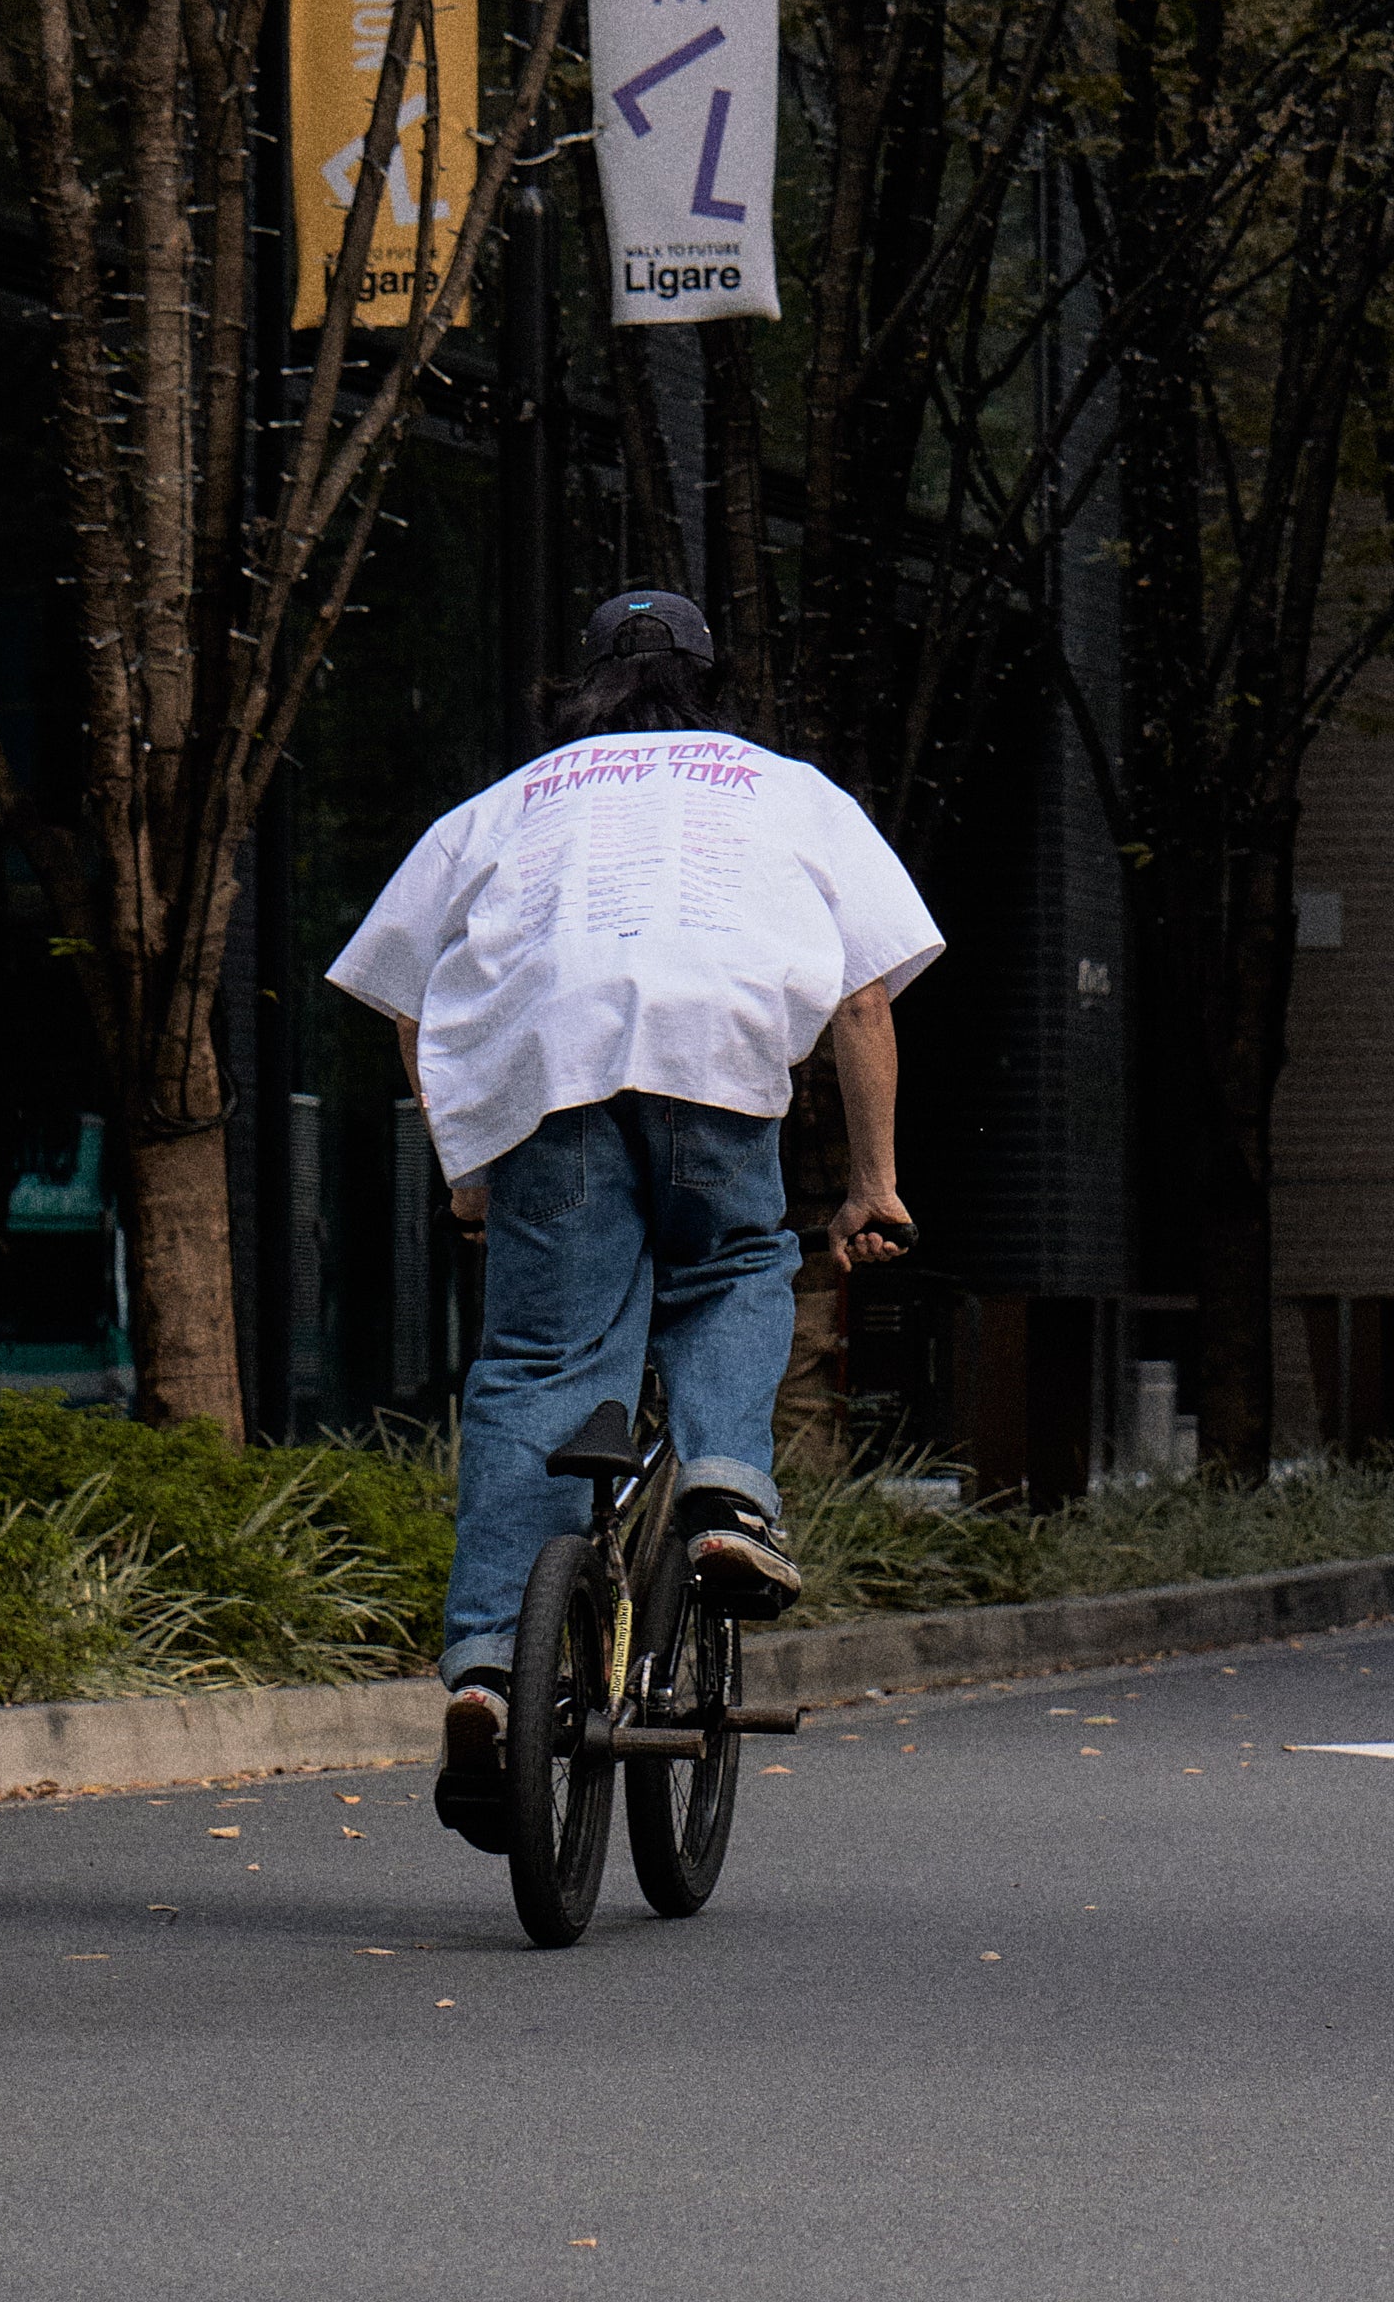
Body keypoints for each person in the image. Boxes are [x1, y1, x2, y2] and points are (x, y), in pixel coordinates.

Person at [325, 586, 941, 1852]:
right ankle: (724, 1496)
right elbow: (866, 997)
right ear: (712, 683)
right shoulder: (787, 789)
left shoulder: (507, 805)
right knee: (734, 1265)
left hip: (547, 1081)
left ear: (584, 682)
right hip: (717, 1059)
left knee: (542, 1363)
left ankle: (495, 1669)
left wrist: (467, 1162)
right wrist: (870, 1181)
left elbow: (405, 996)